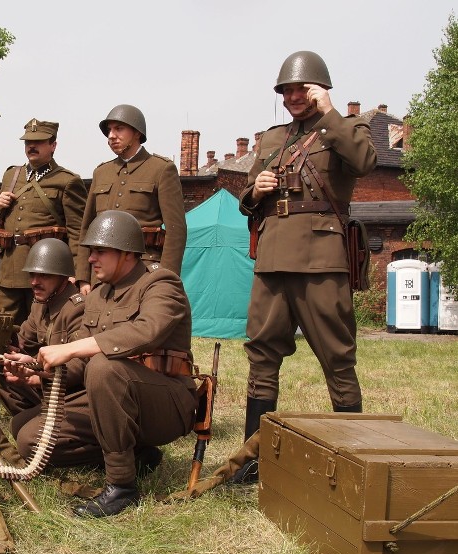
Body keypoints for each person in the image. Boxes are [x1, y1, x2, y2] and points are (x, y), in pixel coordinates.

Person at [232, 51, 377, 484]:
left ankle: (354, 458)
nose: (294, 96)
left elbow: (366, 163)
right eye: (287, 91)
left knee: (337, 357)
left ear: (319, 89)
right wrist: (253, 190)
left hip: (322, 259)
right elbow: (245, 200)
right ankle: (253, 461)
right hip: (273, 259)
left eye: (302, 89)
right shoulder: (273, 139)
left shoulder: (346, 129)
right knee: (261, 356)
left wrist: (330, 112)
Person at [37, 211, 198, 518]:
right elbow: (79, 362)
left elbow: (147, 331)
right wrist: (36, 368)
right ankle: (135, 453)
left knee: (103, 367)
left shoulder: (161, 282)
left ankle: (122, 486)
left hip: (167, 402)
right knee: (29, 437)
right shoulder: (98, 296)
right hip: (114, 395)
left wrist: (71, 348)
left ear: (126, 253)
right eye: (90, 251)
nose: (91, 259)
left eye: (100, 251)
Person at [0, 118, 87, 418]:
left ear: (53, 145)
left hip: (47, 274)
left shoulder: (67, 181)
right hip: (10, 268)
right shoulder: (12, 176)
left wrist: (78, 275)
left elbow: (78, 232)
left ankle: (41, 394)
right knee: (0, 335)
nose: (32, 146)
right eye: (28, 142)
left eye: (40, 142)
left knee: (42, 336)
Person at [0, 238, 102, 468]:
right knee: (2, 370)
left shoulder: (78, 308)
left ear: (62, 276)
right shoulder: (41, 303)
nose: (34, 282)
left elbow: (79, 367)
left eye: (44, 276)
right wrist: (8, 350)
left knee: (27, 442)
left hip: (76, 393)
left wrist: (35, 372)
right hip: (53, 388)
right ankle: (42, 420)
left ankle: (110, 451)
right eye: (32, 275)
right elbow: (25, 339)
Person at [76, 104, 187, 296]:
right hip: (102, 276)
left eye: (119, 129)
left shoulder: (161, 169)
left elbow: (176, 230)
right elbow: (87, 227)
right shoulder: (101, 172)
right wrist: (83, 277)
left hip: (143, 269)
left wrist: (166, 278)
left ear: (137, 132)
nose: (111, 135)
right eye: (109, 130)